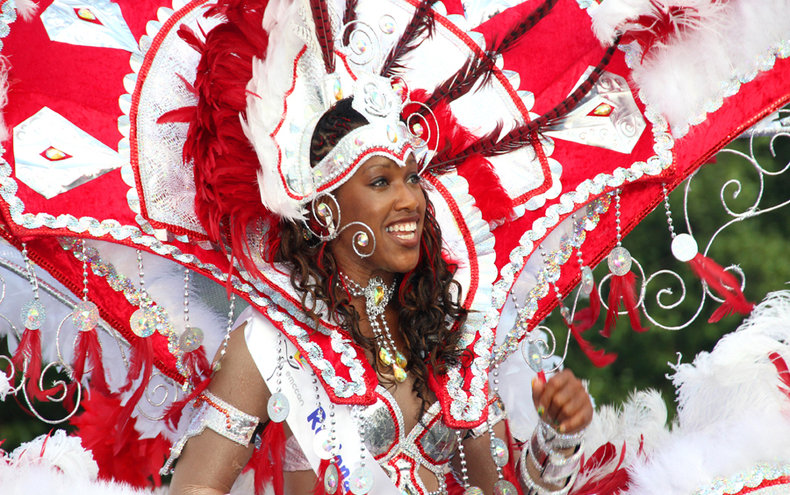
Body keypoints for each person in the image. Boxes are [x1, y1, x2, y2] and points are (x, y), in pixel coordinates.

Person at [166, 91, 593, 494]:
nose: (409, 198)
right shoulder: (272, 340)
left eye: (411, 177)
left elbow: (500, 486)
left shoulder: (443, 324)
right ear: (326, 209)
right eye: (380, 182)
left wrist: (557, 438)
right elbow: (195, 486)